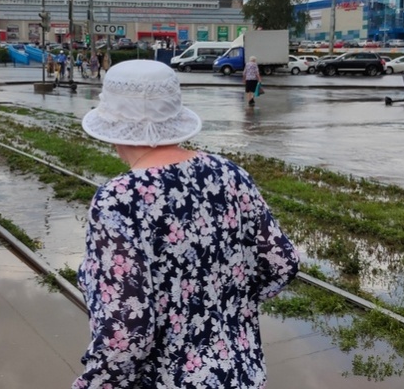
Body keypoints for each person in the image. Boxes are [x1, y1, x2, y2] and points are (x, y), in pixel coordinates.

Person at [75, 60, 299, 388]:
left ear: (113, 127)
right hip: (242, 376)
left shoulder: (117, 201)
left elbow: (125, 335)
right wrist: (229, 308)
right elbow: (283, 263)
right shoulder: (229, 173)